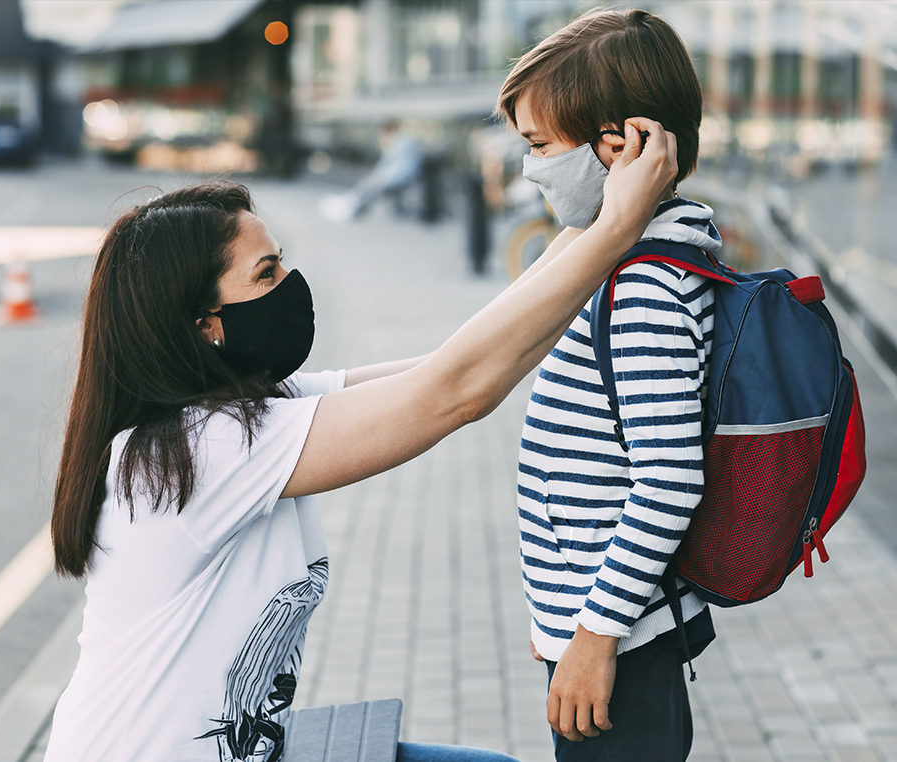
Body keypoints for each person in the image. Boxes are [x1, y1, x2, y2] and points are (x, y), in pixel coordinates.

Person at [44, 119, 677, 762]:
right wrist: (616, 228)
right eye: (266, 274)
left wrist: (595, 210)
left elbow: (457, 361)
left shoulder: (254, 410)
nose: (290, 283)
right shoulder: (202, 450)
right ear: (204, 325)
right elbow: (456, 392)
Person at [496, 8, 719, 761]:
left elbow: (667, 478)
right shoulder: (622, 260)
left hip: (620, 644)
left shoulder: (646, 291)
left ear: (618, 146)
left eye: (538, 146)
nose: (528, 168)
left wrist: (592, 637)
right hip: (607, 628)